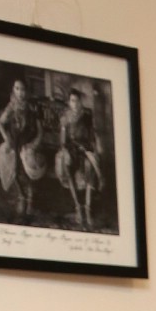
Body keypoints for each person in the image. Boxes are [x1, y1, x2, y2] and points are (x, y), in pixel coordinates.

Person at [0, 78, 45, 220]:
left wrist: (34, 144)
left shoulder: (33, 108)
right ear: (13, 91)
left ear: (26, 91)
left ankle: (30, 199)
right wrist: (6, 138)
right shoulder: (11, 107)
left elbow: (40, 131)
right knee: (11, 164)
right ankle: (21, 196)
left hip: (28, 142)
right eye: (17, 89)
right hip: (14, 142)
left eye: (22, 89)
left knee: (26, 167)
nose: (20, 92)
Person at [55, 86, 102, 229]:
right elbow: (63, 141)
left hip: (85, 147)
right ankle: (78, 207)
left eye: (77, 101)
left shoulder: (87, 115)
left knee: (90, 166)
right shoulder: (65, 118)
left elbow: (92, 135)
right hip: (72, 148)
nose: (75, 103)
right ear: (69, 102)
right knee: (67, 163)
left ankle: (88, 208)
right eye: (72, 101)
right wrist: (66, 150)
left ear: (81, 102)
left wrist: (95, 147)